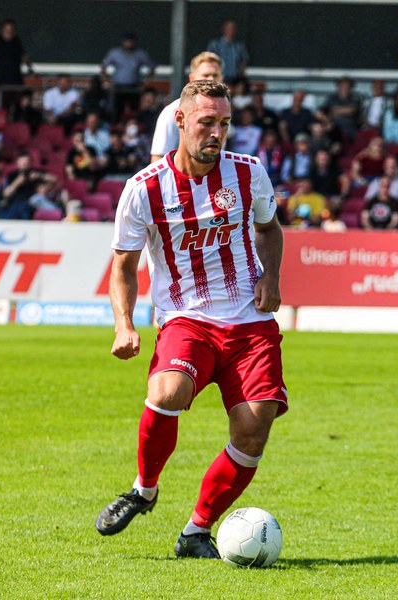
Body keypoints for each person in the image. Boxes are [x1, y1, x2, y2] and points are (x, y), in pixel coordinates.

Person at [95, 79, 287, 560]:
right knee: (167, 392)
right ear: (180, 121)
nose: (217, 133)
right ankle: (144, 489)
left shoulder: (249, 172)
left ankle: (196, 531)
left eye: (224, 123)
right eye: (207, 122)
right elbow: (123, 266)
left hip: (249, 322)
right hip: (187, 317)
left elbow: (269, 229)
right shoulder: (143, 188)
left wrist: (271, 277)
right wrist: (124, 324)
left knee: (254, 429)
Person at [150, 51, 223, 162]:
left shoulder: (224, 111)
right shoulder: (172, 112)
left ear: (222, 78)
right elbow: (158, 158)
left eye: (215, 75)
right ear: (192, 79)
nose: (211, 80)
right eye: (205, 75)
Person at [0, 18, 34, 109]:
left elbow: (23, 56)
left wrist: (31, 68)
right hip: (1, 80)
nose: (9, 32)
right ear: (2, 30)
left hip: (16, 80)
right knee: (2, 105)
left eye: (11, 30)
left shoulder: (16, 40)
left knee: (18, 104)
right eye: (7, 30)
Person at [101, 33, 156, 121]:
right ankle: (117, 126)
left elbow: (152, 67)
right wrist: (108, 81)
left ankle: (134, 125)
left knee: (134, 111)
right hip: (118, 87)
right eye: (127, 41)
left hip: (134, 87)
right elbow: (103, 67)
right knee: (117, 110)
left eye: (130, 41)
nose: (128, 44)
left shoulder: (140, 54)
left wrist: (145, 81)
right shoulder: (115, 53)